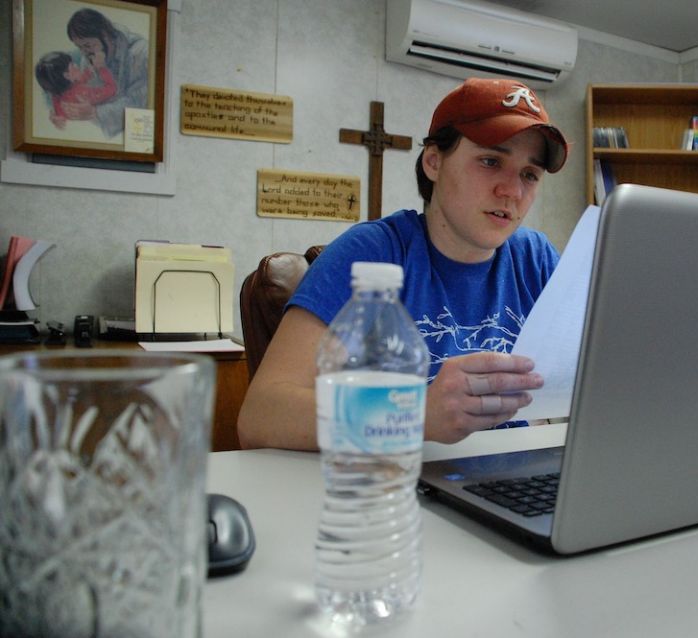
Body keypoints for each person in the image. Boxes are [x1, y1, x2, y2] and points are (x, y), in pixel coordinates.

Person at [238, 77, 569, 451]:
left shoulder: (536, 258)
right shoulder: (370, 252)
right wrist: (416, 415)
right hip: (398, 487)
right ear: (433, 162)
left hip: (512, 485)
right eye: (491, 161)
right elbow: (261, 414)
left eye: (530, 174)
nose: (512, 191)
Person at [59, 8, 149, 138]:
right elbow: (92, 94)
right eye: (80, 47)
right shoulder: (89, 57)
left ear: (106, 36)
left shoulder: (140, 52)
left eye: (88, 45)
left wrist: (96, 113)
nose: (84, 52)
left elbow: (139, 104)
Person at [34, 49, 116, 130]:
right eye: (72, 65)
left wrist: (89, 71)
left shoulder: (57, 94)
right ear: (67, 76)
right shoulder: (82, 94)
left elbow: (78, 81)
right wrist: (101, 68)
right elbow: (111, 89)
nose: (76, 65)